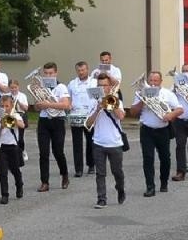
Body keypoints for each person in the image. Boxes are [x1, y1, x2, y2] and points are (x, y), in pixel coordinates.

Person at [128, 70, 181, 197]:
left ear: (161, 81)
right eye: (150, 80)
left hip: (163, 130)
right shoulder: (140, 93)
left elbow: (180, 109)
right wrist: (143, 100)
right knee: (148, 158)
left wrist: (170, 115)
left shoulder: (167, 94)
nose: (152, 83)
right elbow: (133, 112)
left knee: (165, 158)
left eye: (155, 81)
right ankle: (150, 187)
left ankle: (164, 182)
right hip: (147, 130)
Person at [86, 72, 127, 208]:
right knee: (100, 173)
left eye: (105, 85)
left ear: (110, 87)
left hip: (115, 143)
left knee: (117, 172)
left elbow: (121, 116)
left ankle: (120, 189)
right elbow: (88, 124)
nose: (102, 88)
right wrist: (97, 109)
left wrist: (110, 104)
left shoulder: (116, 100)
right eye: (100, 85)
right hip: (98, 142)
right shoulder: (93, 101)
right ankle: (101, 199)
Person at [33, 62, 72, 192]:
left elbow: (66, 105)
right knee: (43, 153)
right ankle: (44, 182)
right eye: (46, 73)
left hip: (57, 121)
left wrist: (48, 104)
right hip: (44, 121)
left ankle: (64, 175)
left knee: (58, 152)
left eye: (51, 73)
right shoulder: (41, 87)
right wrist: (39, 104)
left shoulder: (61, 87)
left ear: (56, 73)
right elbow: (36, 107)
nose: (48, 76)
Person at [0, 94, 25, 204]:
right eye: (2, 106)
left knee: (15, 169)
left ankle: (19, 185)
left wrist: (10, 120)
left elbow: (22, 125)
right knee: (3, 172)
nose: (4, 108)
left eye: (6, 106)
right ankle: (4, 195)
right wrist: (1, 127)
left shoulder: (15, 115)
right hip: (2, 147)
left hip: (13, 146)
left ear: (11, 106)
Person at [67, 60, 96, 178]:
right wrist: (69, 106)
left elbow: (97, 98)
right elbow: (68, 99)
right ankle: (78, 169)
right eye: (79, 70)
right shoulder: (72, 84)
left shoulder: (94, 82)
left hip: (90, 116)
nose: (81, 72)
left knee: (91, 141)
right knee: (77, 143)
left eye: (83, 70)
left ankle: (91, 165)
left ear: (87, 70)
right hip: (76, 116)